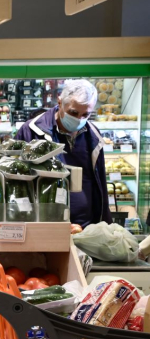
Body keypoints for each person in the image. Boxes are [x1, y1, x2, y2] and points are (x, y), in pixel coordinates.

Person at [16, 79, 111, 228]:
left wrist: (105, 222)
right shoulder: (31, 131)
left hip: (84, 227)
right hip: (44, 224)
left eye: (85, 114)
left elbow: (100, 183)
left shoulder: (93, 135)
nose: (79, 119)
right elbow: (17, 181)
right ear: (60, 102)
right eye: (73, 112)